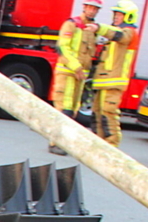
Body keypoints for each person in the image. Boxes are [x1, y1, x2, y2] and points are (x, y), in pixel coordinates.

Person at [49, 0, 101, 155]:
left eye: (95, 9)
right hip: (67, 73)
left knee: (72, 110)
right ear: (84, 7)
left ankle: (64, 143)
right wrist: (76, 66)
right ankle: (55, 143)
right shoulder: (71, 24)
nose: (92, 11)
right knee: (62, 109)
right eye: (90, 7)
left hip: (79, 76)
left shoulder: (91, 29)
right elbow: (63, 48)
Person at [92, 0, 139, 146]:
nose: (116, 17)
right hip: (104, 80)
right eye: (115, 14)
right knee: (97, 114)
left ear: (129, 17)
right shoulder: (114, 32)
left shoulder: (129, 33)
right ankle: (99, 144)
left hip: (114, 80)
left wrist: (99, 28)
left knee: (108, 113)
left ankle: (111, 146)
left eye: (120, 14)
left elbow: (119, 36)